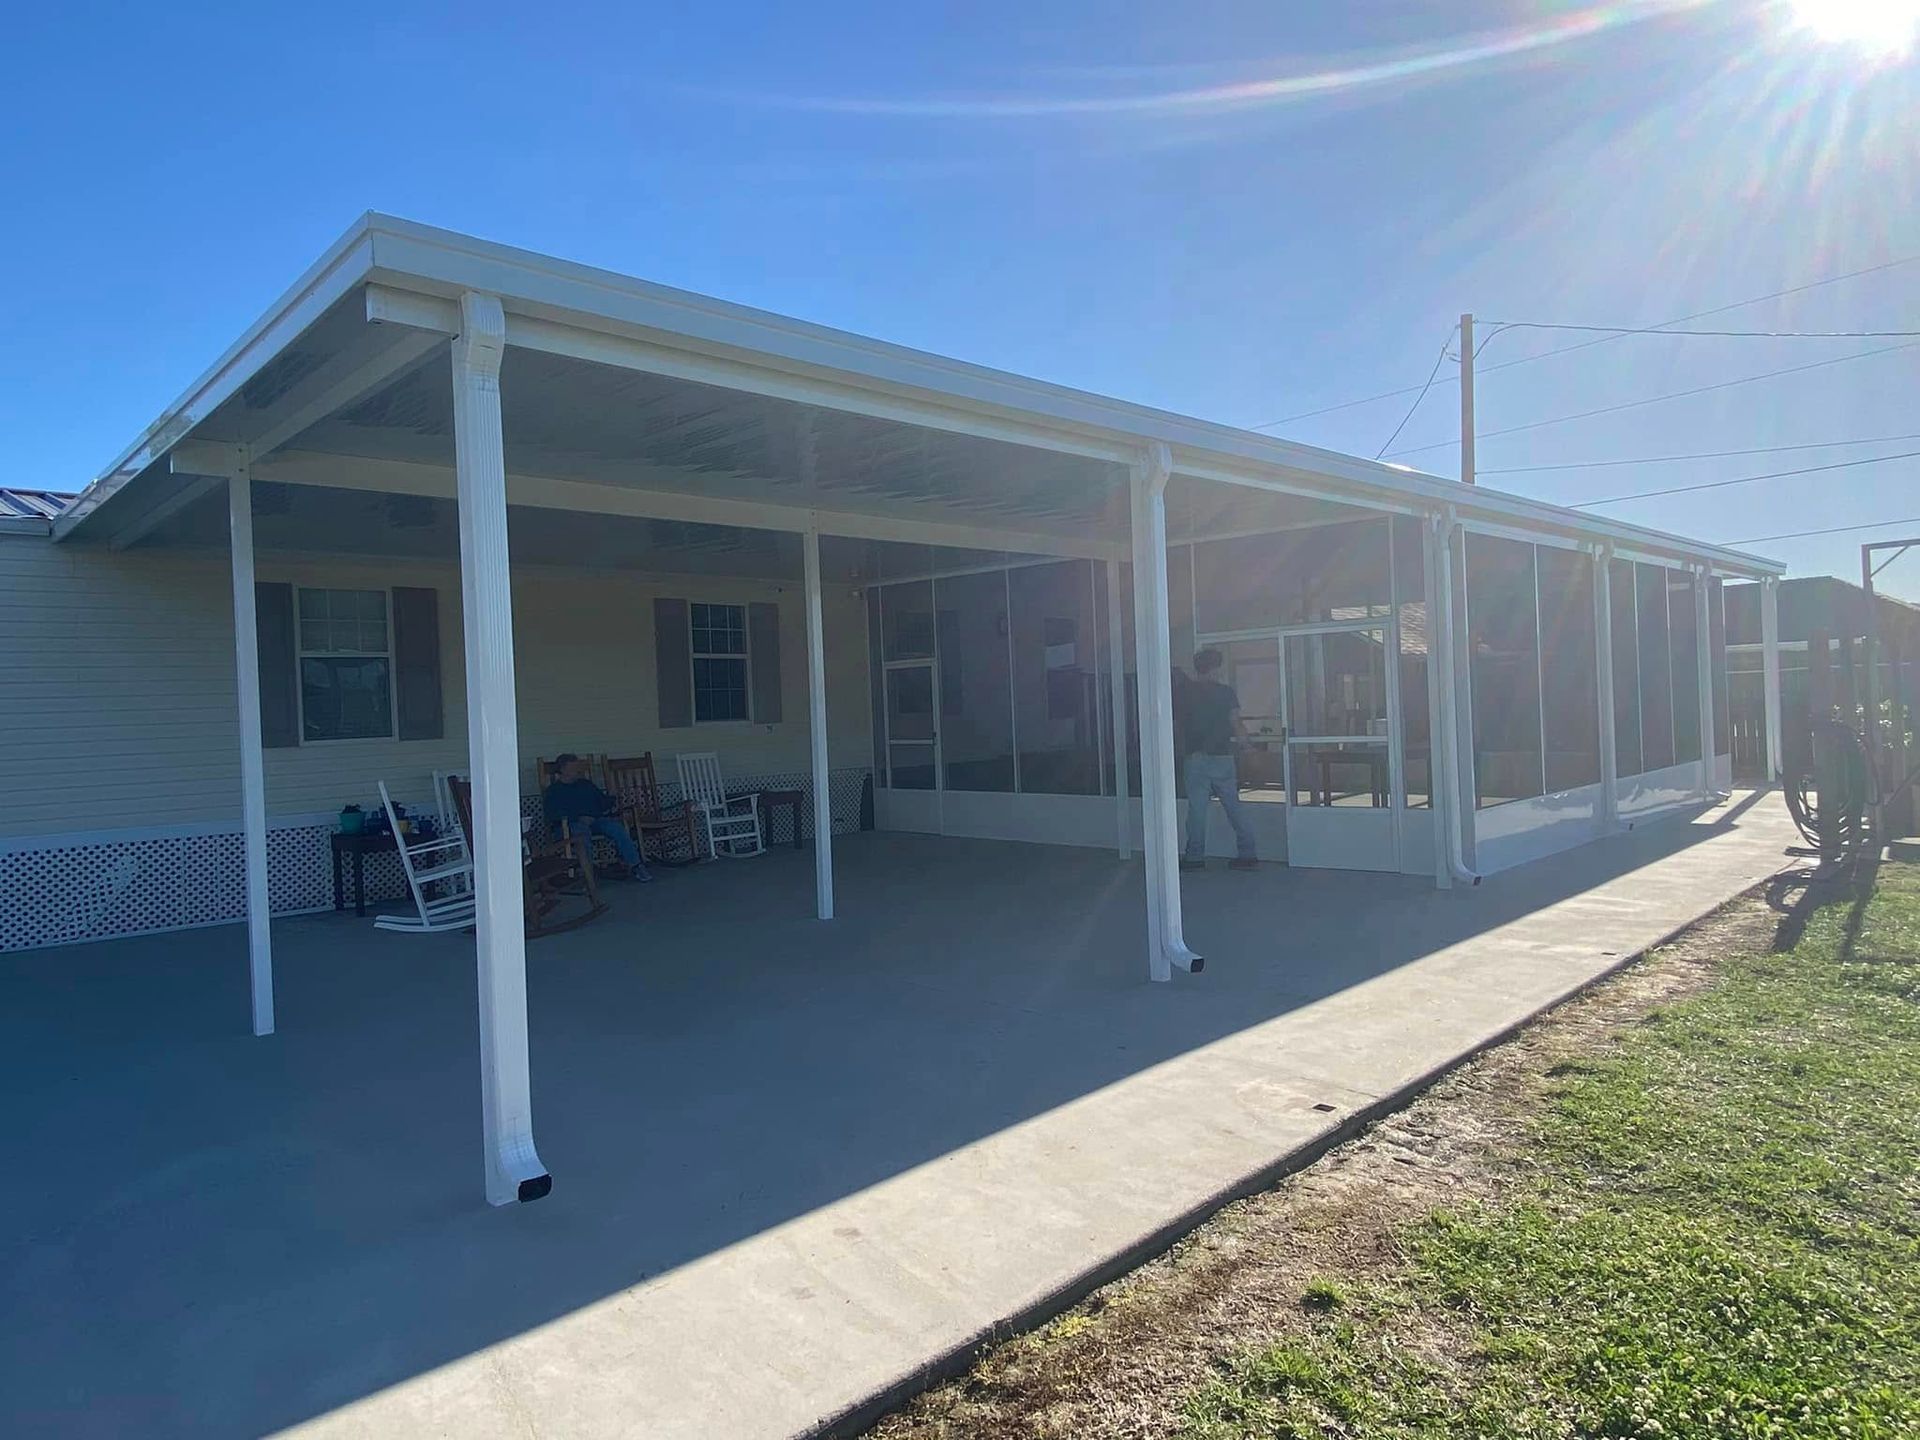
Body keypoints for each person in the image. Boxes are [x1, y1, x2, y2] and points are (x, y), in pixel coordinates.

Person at [1181, 648, 1258, 871]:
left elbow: (1176, 724)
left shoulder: (1185, 692)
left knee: (1196, 811)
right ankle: (1248, 853)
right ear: (1217, 667)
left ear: (1197, 667)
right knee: (1234, 806)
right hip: (1223, 756)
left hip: (1195, 758)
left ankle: (1194, 857)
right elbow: (1236, 722)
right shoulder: (1226, 693)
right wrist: (1247, 747)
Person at [544, 754, 652, 881]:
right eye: (573, 767)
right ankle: (588, 873)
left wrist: (611, 797)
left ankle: (636, 866)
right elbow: (552, 813)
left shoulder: (586, 784)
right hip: (569, 825)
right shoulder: (554, 790)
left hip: (594, 821)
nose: (578, 770)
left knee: (616, 828)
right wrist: (577, 818)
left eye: (578, 767)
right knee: (582, 833)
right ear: (562, 769)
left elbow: (602, 803)